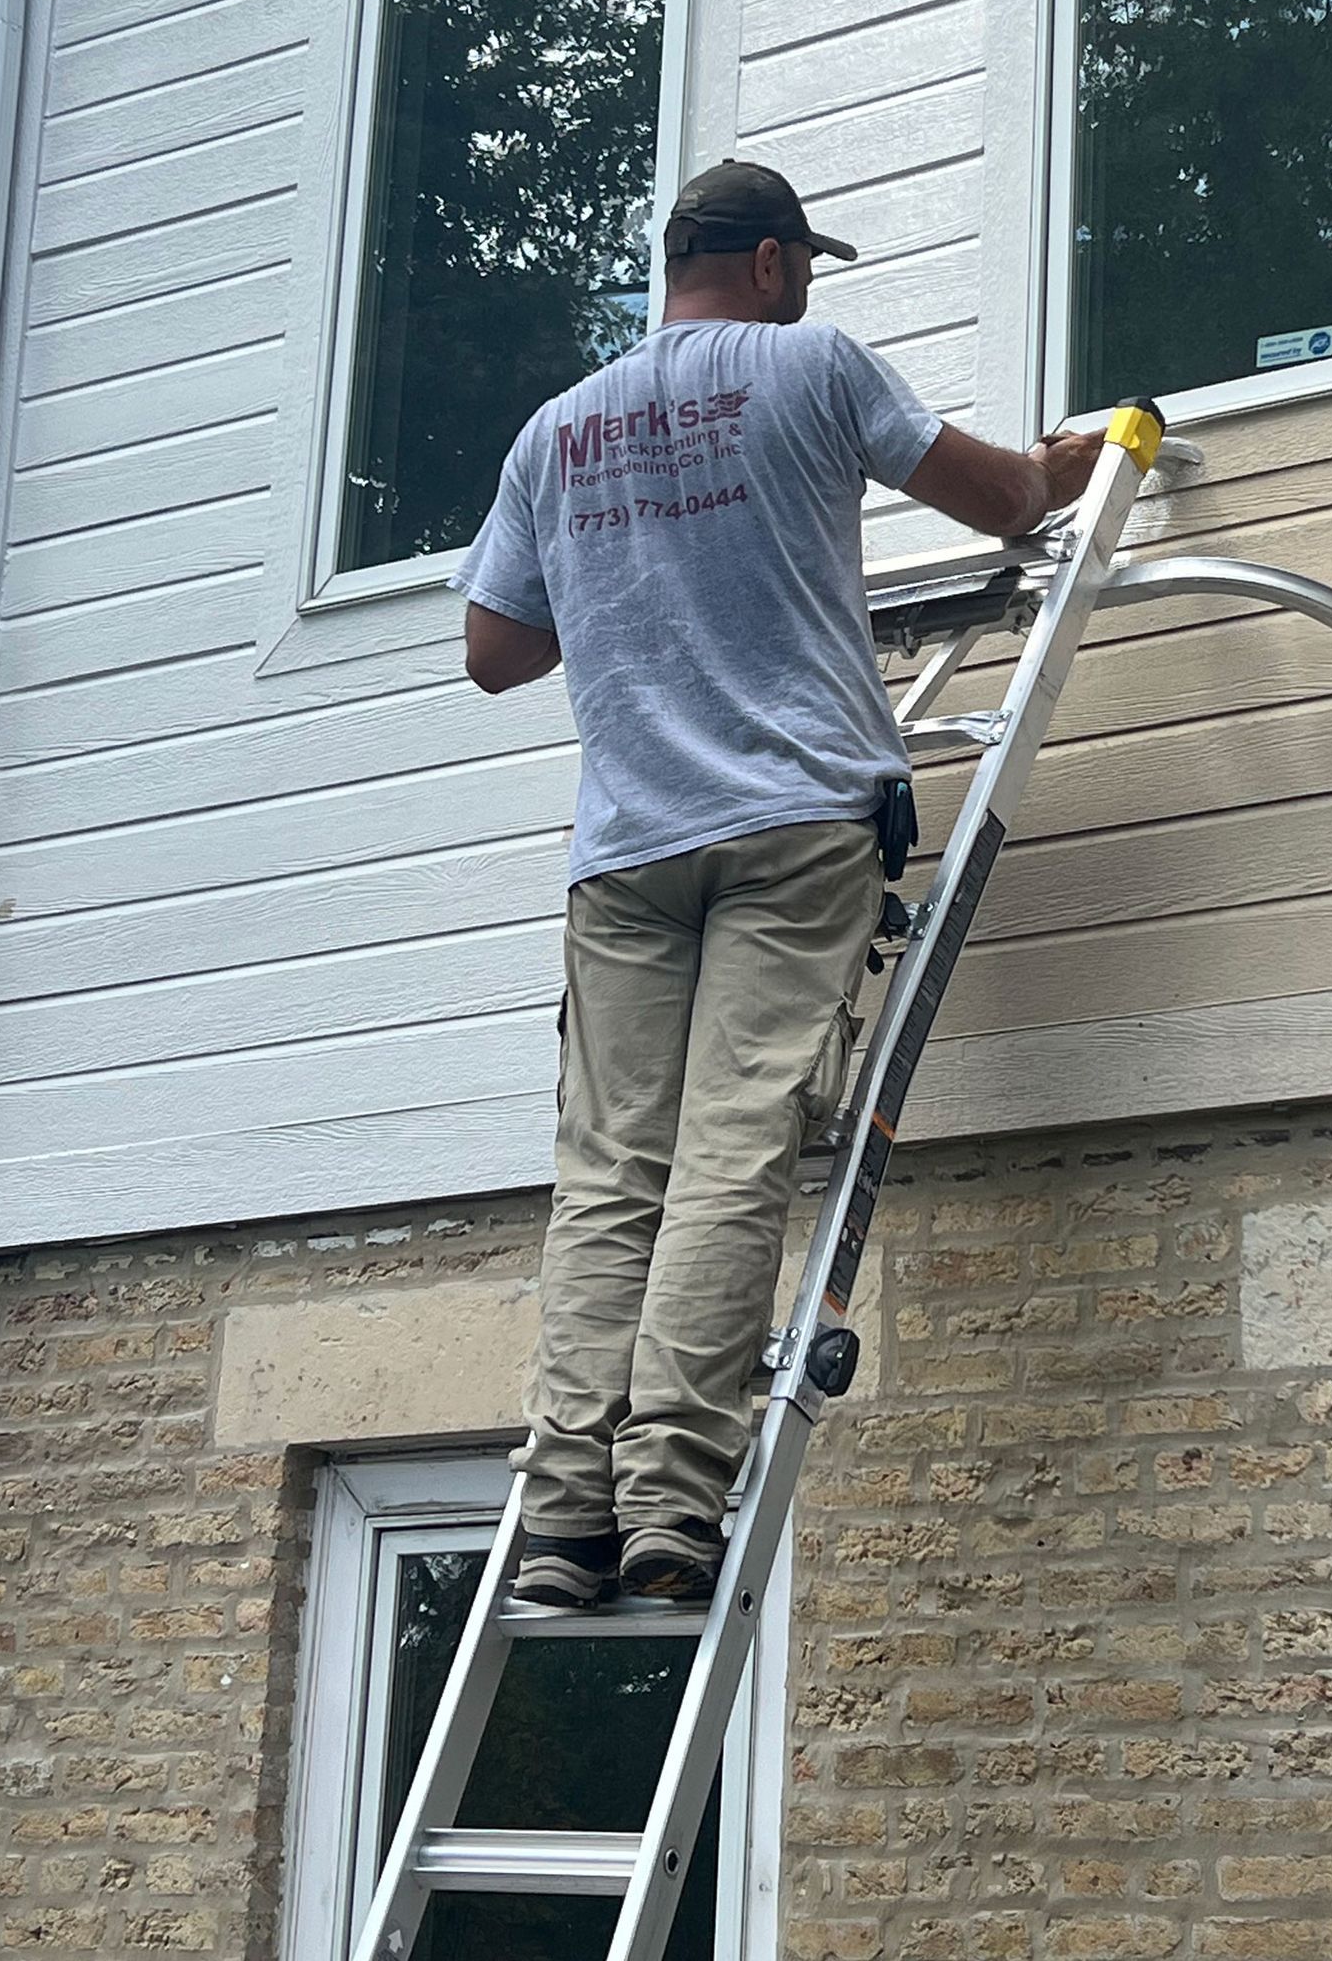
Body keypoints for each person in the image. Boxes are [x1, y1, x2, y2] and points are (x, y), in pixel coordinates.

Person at [453, 158, 1104, 1608]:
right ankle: (674, 1504)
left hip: (627, 852)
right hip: (794, 823)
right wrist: (1064, 468)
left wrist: (635, 572)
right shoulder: (810, 366)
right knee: (735, 1150)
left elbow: (496, 651)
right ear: (762, 265)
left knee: (612, 1178)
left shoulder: (556, 435)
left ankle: (564, 1519)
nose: (807, 283)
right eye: (802, 261)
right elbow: (1000, 501)